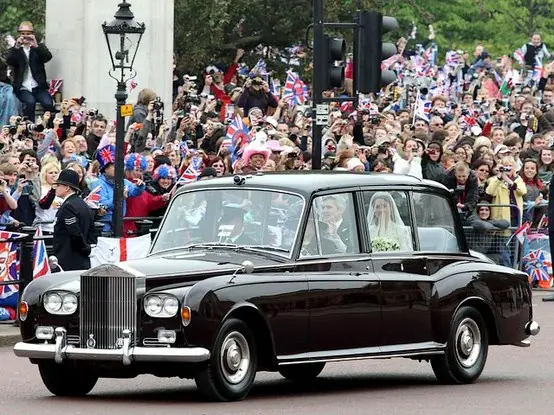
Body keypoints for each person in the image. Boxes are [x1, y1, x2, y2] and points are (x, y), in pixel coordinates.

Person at [6, 21, 55, 122]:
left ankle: (50, 127)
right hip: (23, 87)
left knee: (48, 103)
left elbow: (47, 57)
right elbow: (9, 60)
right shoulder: (16, 50)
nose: (25, 36)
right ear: (19, 35)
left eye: (28, 33)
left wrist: (36, 45)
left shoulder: (38, 48)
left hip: (38, 87)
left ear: (32, 34)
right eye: (23, 34)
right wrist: (17, 46)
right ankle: (29, 128)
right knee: (30, 102)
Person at [52, 169, 96, 271]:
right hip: (82, 260)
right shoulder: (83, 204)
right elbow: (92, 231)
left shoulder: (69, 206)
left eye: (58, 185)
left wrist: (85, 249)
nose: (56, 188)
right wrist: (89, 249)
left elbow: (74, 233)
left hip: (68, 259)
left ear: (67, 187)